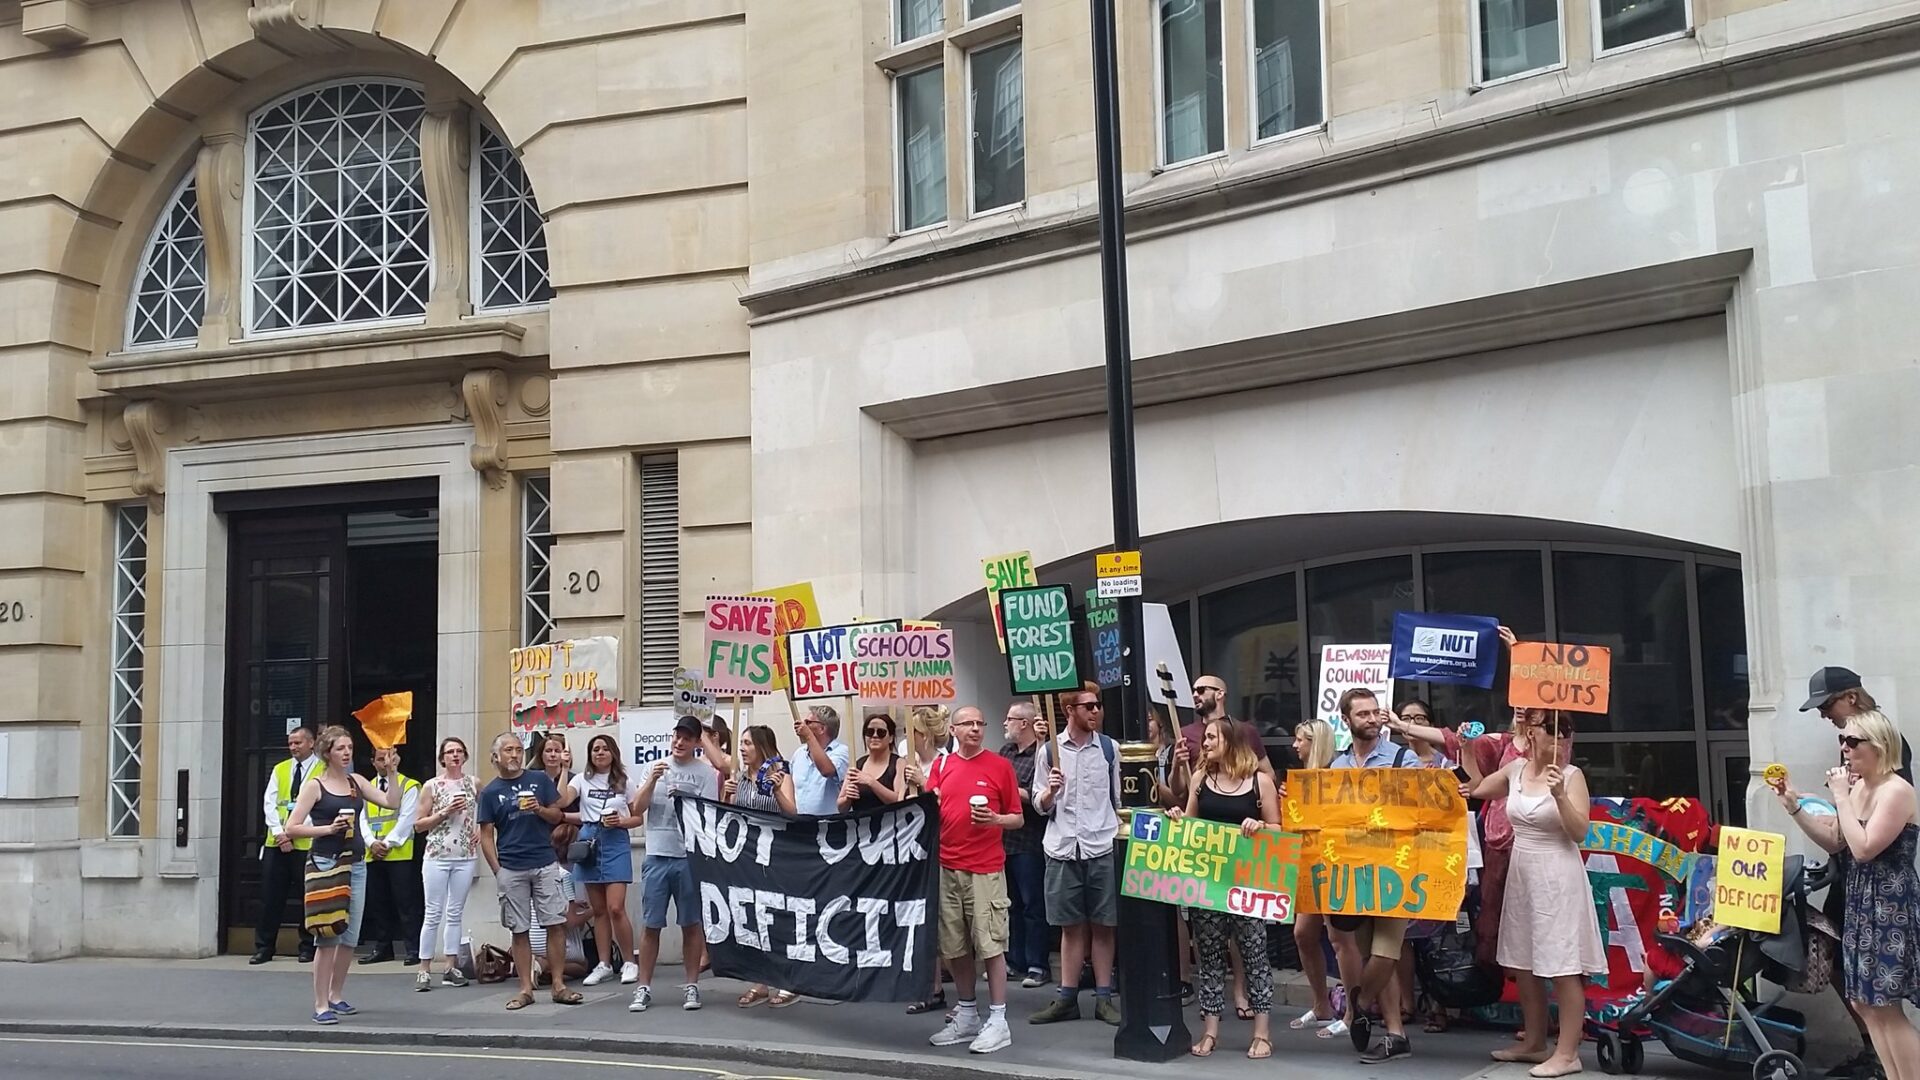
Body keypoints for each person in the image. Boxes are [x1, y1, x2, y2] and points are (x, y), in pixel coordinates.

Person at [1775, 709, 1920, 1080]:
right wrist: (1794, 807)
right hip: (1860, 901)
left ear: (1879, 746)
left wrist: (1840, 796)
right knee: (1864, 1003)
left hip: (1890, 905)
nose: (1844, 747)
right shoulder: (1858, 788)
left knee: (1885, 1005)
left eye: (1853, 741)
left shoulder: (1897, 791)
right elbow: (1837, 841)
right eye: (1843, 740)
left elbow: (1865, 848)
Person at [1463, 710, 1604, 1079]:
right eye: (1551, 731)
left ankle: (1568, 1052)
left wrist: (1559, 795)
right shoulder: (1515, 770)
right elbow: (1476, 788)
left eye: (1565, 733)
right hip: (1523, 871)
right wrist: (1465, 749)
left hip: (1557, 872)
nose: (1558, 740)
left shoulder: (1572, 777)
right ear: (1531, 734)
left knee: (1562, 964)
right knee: (1523, 962)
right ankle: (1534, 1041)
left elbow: (1579, 832)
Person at [1174, 716, 1281, 1059]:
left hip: (1247, 883)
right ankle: (1210, 1031)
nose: (1203, 743)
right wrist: (1178, 820)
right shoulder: (1201, 778)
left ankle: (1262, 1033)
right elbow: (1191, 825)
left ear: (1231, 741)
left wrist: (1261, 824)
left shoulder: (1259, 783)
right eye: (1204, 738)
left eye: (1210, 738)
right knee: (1209, 957)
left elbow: (1279, 829)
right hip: (1209, 882)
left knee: (1254, 953)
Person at [283, 725, 404, 1025]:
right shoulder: (315, 786)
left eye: (350, 747)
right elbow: (292, 827)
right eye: (341, 748)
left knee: (350, 936)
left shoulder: (356, 781)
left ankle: (336, 995)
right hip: (325, 862)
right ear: (327, 752)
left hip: (356, 863)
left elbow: (392, 802)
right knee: (327, 936)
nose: (347, 752)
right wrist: (328, 829)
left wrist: (391, 772)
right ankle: (320, 1003)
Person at [925, 705, 1024, 1055]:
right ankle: (966, 1013)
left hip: (985, 869)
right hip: (947, 866)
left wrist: (995, 819)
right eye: (967, 723)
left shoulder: (1000, 766)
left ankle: (998, 1020)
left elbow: (1017, 818)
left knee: (991, 944)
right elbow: (930, 808)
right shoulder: (941, 766)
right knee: (954, 946)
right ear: (953, 729)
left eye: (980, 723)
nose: (975, 728)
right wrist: (927, 797)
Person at [1327, 687, 1418, 1063]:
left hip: (1396, 870)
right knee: (1366, 952)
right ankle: (1395, 1035)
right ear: (1346, 720)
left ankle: (1360, 1004)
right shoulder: (1336, 767)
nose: (1370, 719)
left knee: (1385, 953)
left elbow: (1418, 807)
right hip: (1354, 872)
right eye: (1361, 713)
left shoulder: (1402, 757)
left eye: (1373, 712)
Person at [1030, 682, 1122, 1027]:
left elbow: (1116, 801)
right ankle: (1067, 997)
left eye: (1097, 705)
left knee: (1103, 925)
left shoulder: (1109, 749)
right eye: (1088, 706)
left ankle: (1103, 997)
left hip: (1100, 844)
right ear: (1069, 710)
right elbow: (1039, 805)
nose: (1096, 711)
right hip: (1063, 846)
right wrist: (1051, 792)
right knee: (1070, 927)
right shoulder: (1049, 751)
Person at [476, 731, 581, 1011]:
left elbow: (557, 814)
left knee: (554, 923)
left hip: (545, 862)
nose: (514, 755)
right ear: (495, 757)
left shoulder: (538, 780)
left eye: (518, 750)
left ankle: (558, 984)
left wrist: (539, 809)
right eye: (508, 750)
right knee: (519, 929)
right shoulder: (490, 792)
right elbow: (486, 835)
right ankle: (525, 989)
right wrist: (497, 870)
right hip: (511, 867)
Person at [628, 715, 721, 1014]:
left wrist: (685, 799)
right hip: (657, 854)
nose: (680, 742)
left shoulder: (705, 773)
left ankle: (691, 984)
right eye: (677, 736)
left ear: (696, 743)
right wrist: (653, 779)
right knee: (651, 924)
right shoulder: (655, 767)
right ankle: (643, 987)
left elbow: (710, 815)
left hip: (688, 857)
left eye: (687, 738)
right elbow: (636, 809)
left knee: (690, 924)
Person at [725, 724, 799, 1008]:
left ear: (762, 747)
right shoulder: (740, 779)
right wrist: (726, 795)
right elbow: (729, 818)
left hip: (776, 855)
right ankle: (761, 980)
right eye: (741, 743)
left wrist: (778, 789)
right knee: (754, 918)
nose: (742, 748)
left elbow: (792, 812)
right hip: (747, 857)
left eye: (747, 743)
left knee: (777, 917)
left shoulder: (781, 774)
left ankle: (786, 981)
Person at [1287, 718, 1347, 1038]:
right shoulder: (1302, 779)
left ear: (1316, 743)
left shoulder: (1336, 773)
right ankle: (1321, 1003)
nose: (1295, 746)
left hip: (1335, 865)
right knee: (1302, 933)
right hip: (1309, 864)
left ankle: (1351, 1012)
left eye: (1301, 740)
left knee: (1339, 939)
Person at [567, 733, 641, 988]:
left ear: (613, 753)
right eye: (595, 749)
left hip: (615, 841)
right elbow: (563, 801)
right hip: (589, 841)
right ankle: (604, 963)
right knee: (598, 910)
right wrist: (565, 767)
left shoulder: (625, 781)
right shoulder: (580, 780)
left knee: (616, 907)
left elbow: (638, 817)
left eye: (605, 749)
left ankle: (630, 961)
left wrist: (621, 821)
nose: (600, 753)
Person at [412, 736, 478, 991]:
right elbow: (419, 824)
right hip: (438, 853)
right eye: (450, 752)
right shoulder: (432, 785)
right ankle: (424, 967)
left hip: (464, 854)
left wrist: (480, 829)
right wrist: (444, 812)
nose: (455, 756)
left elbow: (483, 812)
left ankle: (451, 966)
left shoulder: (474, 783)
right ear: (442, 758)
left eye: (459, 751)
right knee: (433, 912)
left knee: (455, 912)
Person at [254, 724, 319, 965]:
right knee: (270, 897)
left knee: (307, 898)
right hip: (277, 843)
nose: (293, 747)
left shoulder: (322, 769)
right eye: (291, 743)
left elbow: (320, 806)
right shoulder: (281, 769)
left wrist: (294, 831)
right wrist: (281, 833)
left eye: (298, 742)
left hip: (306, 844)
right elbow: (269, 803)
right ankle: (264, 947)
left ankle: (307, 946)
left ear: (311, 743)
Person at [999, 700, 1052, 992]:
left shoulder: (1041, 754)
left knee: (1033, 904)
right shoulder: (1005, 752)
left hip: (1030, 838)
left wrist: (1005, 789)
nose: (1005, 723)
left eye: (1010, 718)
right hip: (1004, 838)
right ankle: (1015, 959)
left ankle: (1038, 963)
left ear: (1025, 723)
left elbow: (1036, 793)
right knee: (1011, 904)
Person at [357, 745, 423, 967]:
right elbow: (362, 819)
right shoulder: (368, 787)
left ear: (396, 759)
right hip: (372, 853)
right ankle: (383, 948)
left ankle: (412, 948)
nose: (385, 762)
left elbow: (407, 819)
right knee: (378, 904)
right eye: (380, 759)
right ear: (373, 762)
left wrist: (385, 843)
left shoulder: (409, 785)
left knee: (406, 904)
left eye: (389, 758)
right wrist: (371, 842)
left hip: (399, 853)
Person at [791, 705, 850, 817]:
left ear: (822, 728)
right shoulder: (799, 753)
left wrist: (808, 736)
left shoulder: (842, 751)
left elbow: (827, 770)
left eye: (808, 722)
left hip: (829, 826)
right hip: (800, 825)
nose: (803, 725)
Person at [839, 712, 905, 812]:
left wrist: (872, 782)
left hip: (889, 825)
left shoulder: (899, 763)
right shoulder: (857, 765)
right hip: (862, 825)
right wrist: (847, 798)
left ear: (891, 738)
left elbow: (899, 801)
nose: (874, 736)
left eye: (881, 732)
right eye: (869, 732)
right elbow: (841, 807)